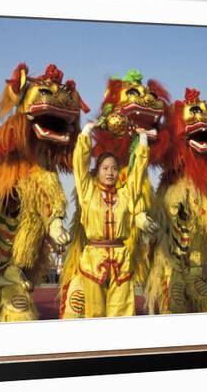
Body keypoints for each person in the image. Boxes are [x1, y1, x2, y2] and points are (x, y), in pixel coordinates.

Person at [73, 122, 151, 317]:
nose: (110, 173)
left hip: (121, 259)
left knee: (122, 314)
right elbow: (80, 166)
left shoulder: (126, 195)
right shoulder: (87, 191)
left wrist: (142, 140)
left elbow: (137, 175)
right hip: (93, 259)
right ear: (97, 171)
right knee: (95, 314)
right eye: (105, 168)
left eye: (114, 169)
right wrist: (86, 133)